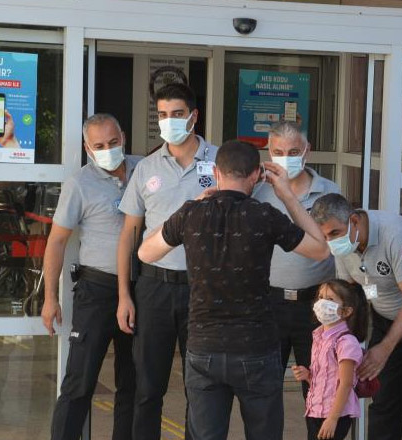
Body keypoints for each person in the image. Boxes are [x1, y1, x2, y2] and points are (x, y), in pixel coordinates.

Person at [137, 140, 329, 440]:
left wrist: (193, 204)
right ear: (256, 175)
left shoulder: (191, 214)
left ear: (216, 172)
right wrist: (288, 197)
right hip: (256, 348)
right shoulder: (265, 215)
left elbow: (145, 253)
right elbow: (319, 249)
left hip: (203, 348)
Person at [115, 83, 219, 440]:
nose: (169, 121)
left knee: (201, 389)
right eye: (162, 115)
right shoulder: (146, 168)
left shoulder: (220, 163)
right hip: (153, 288)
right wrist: (124, 295)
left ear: (194, 116)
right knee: (148, 388)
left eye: (177, 114)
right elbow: (129, 233)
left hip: (202, 290)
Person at [310, 193, 402, 440]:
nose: (331, 242)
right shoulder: (343, 247)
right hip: (384, 313)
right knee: (383, 398)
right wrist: (341, 343)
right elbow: (350, 294)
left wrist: (384, 349)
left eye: (334, 233)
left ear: (354, 221)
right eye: (324, 236)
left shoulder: (395, 234)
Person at [41, 113, 140, 440]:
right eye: (99, 145)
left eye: (113, 142)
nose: (108, 149)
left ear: (123, 136)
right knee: (79, 383)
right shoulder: (79, 184)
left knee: (134, 385)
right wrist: (50, 298)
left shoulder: (146, 170)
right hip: (97, 291)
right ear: (87, 147)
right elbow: (56, 241)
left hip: (142, 291)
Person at [252, 121, 340, 404]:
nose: (285, 158)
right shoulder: (258, 191)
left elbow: (337, 246)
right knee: (264, 391)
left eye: (293, 151)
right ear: (268, 150)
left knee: (319, 387)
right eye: (278, 151)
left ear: (307, 151)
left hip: (315, 305)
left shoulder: (329, 192)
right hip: (270, 302)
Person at [292, 279, 369, 440]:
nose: (322, 303)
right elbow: (327, 379)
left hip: (334, 414)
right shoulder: (319, 336)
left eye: (330, 299)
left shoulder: (346, 342)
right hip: (315, 410)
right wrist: (308, 376)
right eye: (320, 297)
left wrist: (332, 419)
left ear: (346, 311)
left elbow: (346, 383)